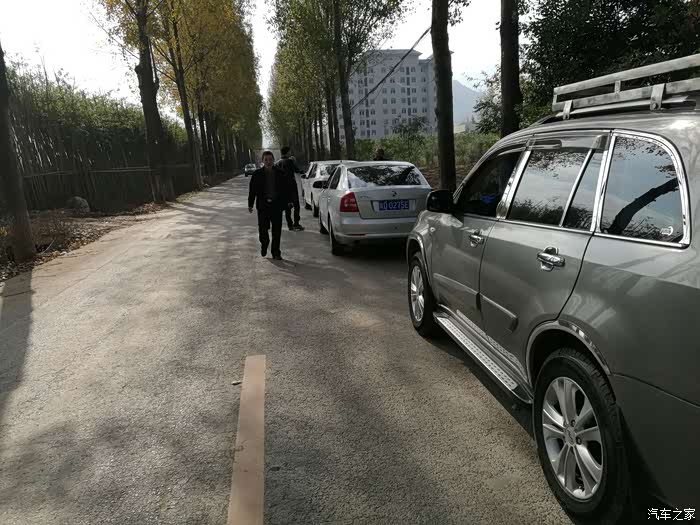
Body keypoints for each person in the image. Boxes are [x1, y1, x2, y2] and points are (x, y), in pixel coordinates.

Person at [248, 150, 295, 260]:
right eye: (266, 160)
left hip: (276, 206)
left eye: (270, 160)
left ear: (273, 160)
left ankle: (276, 252)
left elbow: (287, 189)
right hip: (263, 206)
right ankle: (264, 244)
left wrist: (289, 201)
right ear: (263, 161)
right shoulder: (257, 174)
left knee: (277, 231)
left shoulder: (280, 173)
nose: (268, 162)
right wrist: (250, 204)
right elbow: (252, 190)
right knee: (263, 230)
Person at [276, 146, 305, 231]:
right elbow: (296, 170)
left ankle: (290, 225)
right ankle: (296, 223)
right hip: (291, 186)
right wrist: (294, 161)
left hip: (282, 188)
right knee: (296, 205)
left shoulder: (277, 163)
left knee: (287, 207)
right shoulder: (289, 161)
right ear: (287, 152)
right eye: (289, 152)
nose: (290, 153)